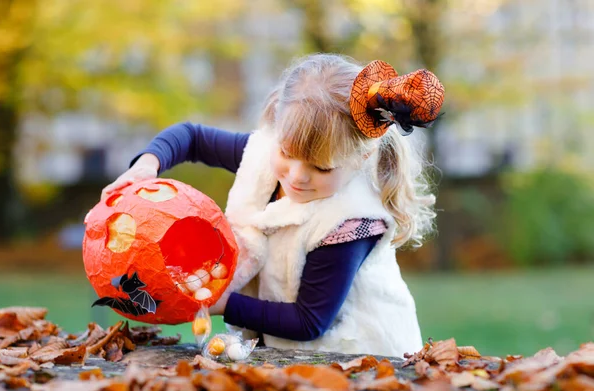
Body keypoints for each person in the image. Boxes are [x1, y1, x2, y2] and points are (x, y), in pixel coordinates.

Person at [101, 54, 444, 357]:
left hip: (360, 358)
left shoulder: (351, 221)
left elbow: (309, 321)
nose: (296, 176)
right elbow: (190, 136)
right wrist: (147, 164)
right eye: (287, 153)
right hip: (286, 352)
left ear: (362, 157)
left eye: (320, 168)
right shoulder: (264, 153)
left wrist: (222, 303)